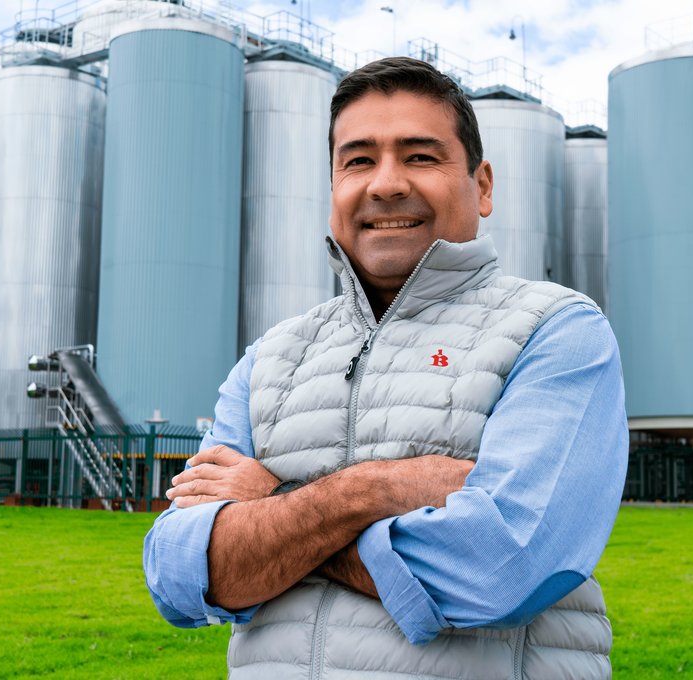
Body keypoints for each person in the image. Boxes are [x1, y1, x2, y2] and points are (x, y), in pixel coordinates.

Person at [143, 56, 627, 679]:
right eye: (359, 160)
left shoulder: (557, 330)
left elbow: (500, 571)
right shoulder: (272, 356)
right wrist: (372, 492)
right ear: (334, 187)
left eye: (420, 156)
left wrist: (271, 507)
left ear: (481, 186)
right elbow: (180, 574)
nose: (386, 183)